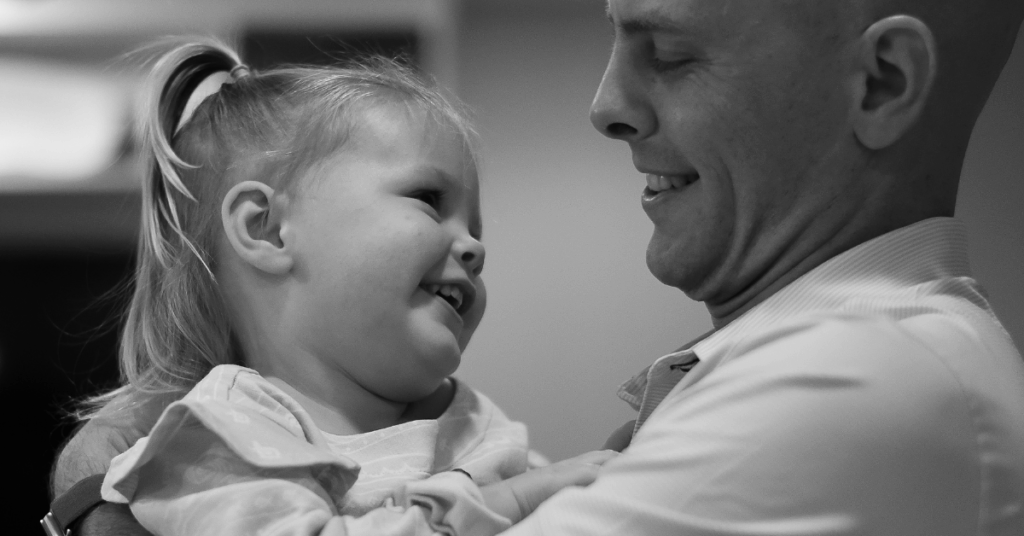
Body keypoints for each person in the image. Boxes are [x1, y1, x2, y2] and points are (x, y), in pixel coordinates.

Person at [52, 0, 1024, 534]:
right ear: (265, 230)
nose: (604, 104)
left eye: (668, 51)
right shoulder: (228, 432)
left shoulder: (855, 387)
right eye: (428, 201)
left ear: (883, 81)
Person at [44, 38, 615, 536]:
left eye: (476, 228)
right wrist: (504, 504)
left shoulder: (475, 424)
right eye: (429, 200)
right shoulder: (215, 441)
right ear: (265, 229)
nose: (474, 247)